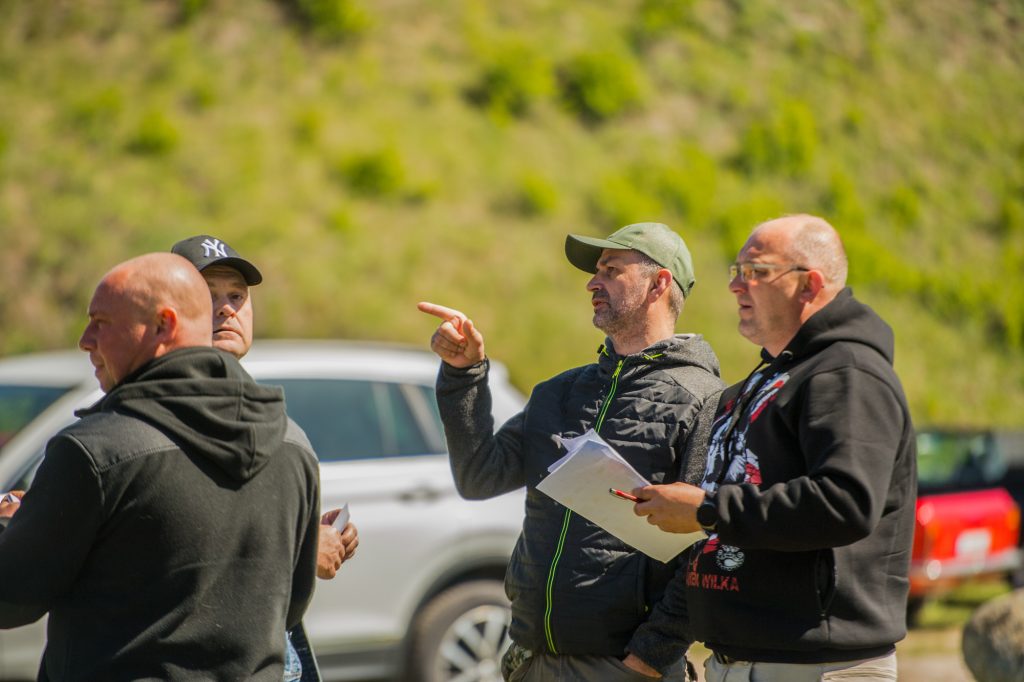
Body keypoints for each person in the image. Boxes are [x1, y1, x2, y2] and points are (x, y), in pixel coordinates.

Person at [418, 222, 725, 681]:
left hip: (624, 668)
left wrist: (648, 657)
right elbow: (480, 476)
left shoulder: (704, 400)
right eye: (596, 271)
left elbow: (708, 549)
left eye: (611, 270)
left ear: (659, 283)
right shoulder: (558, 392)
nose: (592, 283)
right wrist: (465, 376)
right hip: (531, 658)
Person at [0, 253, 322, 680]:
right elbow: (290, 607)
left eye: (101, 322)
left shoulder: (94, 451)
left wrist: (13, 526)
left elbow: (11, 600)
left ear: (163, 325)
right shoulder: (293, 444)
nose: (85, 340)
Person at [634, 215, 917, 682]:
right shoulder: (767, 379)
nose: (736, 286)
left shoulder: (847, 372)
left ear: (810, 285)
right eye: (736, 271)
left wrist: (707, 510)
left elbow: (845, 502)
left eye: (756, 271)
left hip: (816, 666)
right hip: (736, 660)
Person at [171, 234, 359, 682]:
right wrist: (302, 553)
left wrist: (304, 531)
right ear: (169, 311)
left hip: (269, 649)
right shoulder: (162, 412)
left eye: (237, 296)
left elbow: (235, 521)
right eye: (208, 295)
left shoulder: (252, 404)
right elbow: (183, 547)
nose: (226, 309)